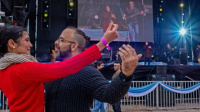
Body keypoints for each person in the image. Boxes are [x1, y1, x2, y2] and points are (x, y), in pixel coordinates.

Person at [0, 22, 118, 112]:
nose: (30, 45)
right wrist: (104, 41)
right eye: (26, 40)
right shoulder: (25, 69)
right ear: (11, 44)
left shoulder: (4, 70)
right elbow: (67, 67)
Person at [45, 27, 142, 112]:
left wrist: (126, 74)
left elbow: (109, 95)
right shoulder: (54, 70)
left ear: (74, 46)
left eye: (61, 40)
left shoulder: (85, 72)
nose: (56, 42)